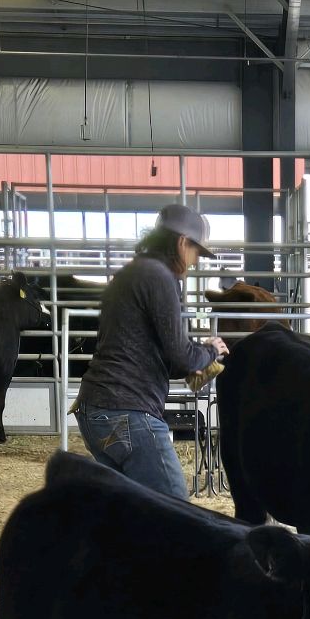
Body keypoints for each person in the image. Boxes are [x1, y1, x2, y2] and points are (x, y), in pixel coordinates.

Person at [74, 204, 226, 499]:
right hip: (127, 411)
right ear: (182, 242)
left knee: (133, 509)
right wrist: (210, 350)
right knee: (177, 509)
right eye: (196, 251)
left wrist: (199, 360)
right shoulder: (160, 277)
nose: (195, 261)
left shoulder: (130, 274)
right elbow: (182, 356)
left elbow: (170, 361)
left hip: (96, 413)